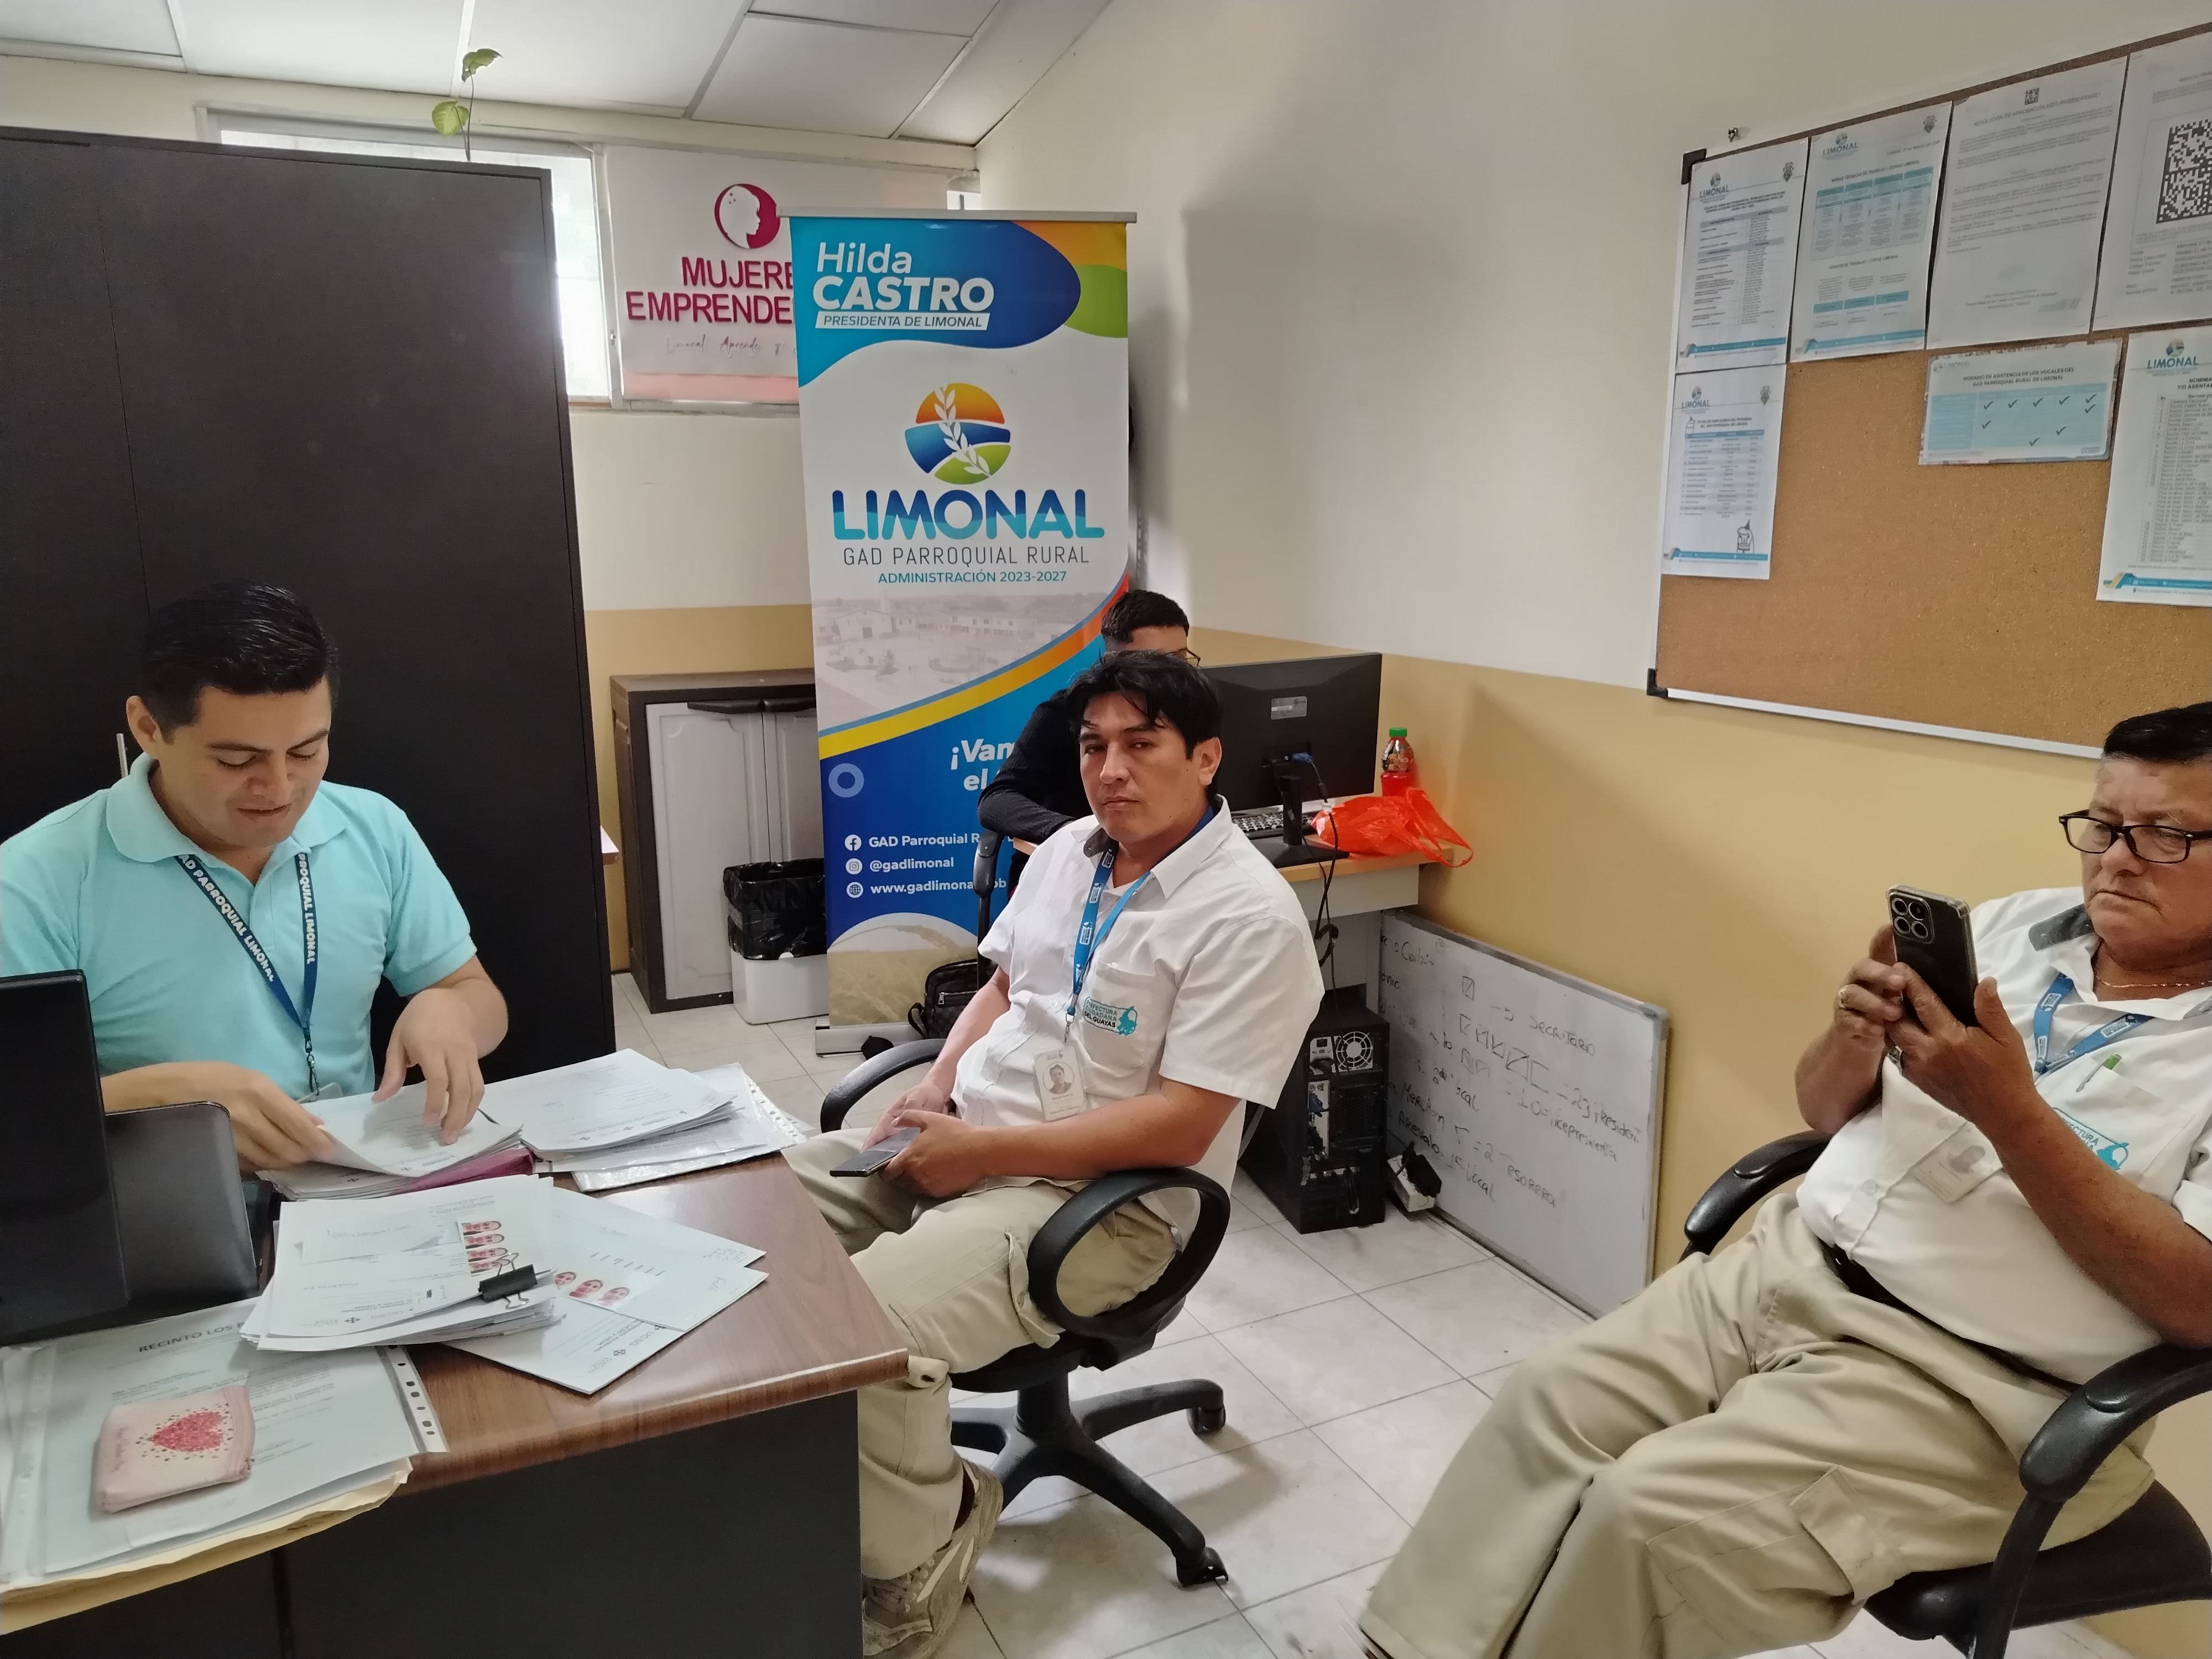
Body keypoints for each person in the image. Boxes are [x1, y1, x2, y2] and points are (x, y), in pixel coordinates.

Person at [1359, 700, 2212, 1659]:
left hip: (1972, 1386)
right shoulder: (2012, 932)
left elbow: (2200, 1306)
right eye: (2104, 824)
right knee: (1547, 1402)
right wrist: (1852, 1038)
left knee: (1647, 1517)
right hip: (1786, 1271)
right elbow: (1821, 1110)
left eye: (2168, 835)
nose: (2117, 861)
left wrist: (2008, 1112)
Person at [788, 649, 1324, 1659]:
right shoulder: (1072, 848)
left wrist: (984, 1155)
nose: (1110, 770)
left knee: (862, 1326)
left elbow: (1181, 1126)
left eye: (1141, 745)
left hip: (1105, 1205)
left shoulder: (1249, 918)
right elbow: (1002, 986)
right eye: (1093, 746)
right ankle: (827, 1464)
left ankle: (926, 1546)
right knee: (761, 1216)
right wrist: (939, 1084)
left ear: (1206, 758)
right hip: (974, 1136)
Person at [0, 582, 507, 1171]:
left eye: (306, 752)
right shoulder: (36, 880)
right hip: (174, 1209)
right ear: (148, 728)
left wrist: (454, 1013)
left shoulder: (371, 826)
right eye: (236, 761)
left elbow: (478, 996)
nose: (280, 789)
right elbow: (18, 1110)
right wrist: (156, 1099)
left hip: (366, 1181)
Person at [977, 588, 1194, 848]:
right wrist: (1074, 833)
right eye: (1155, 663)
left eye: (1179, 660)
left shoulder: (1193, 712)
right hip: (1078, 858)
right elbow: (998, 798)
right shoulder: (1065, 712)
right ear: (1112, 661)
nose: (1172, 676)